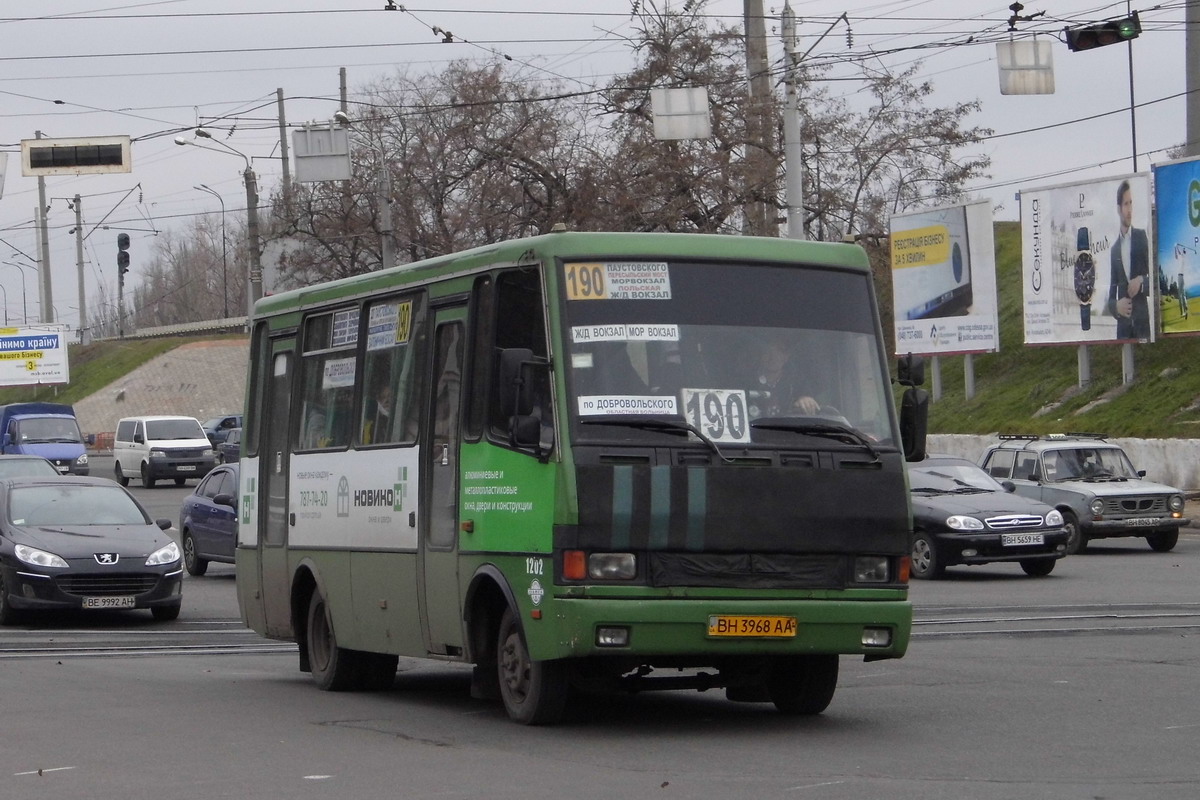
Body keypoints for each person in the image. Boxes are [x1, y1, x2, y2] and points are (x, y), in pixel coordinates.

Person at [1105, 180, 1151, 340]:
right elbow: (1111, 295)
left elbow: (1156, 280)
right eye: (1126, 204)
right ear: (1119, 209)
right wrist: (1116, 306)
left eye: (1131, 203)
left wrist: (1141, 281)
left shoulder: (1141, 237)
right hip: (1123, 330)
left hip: (1142, 326)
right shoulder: (1114, 250)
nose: (1130, 210)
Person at [755, 337, 820, 417]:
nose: (773, 357)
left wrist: (805, 400)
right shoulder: (748, 381)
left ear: (786, 357)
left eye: (779, 352)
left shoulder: (796, 381)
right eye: (768, 351)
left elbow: (807, 399)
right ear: (761, 355)